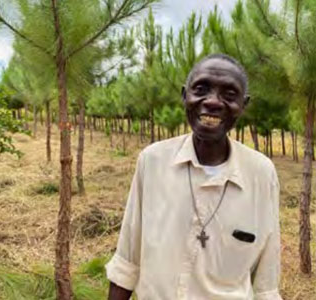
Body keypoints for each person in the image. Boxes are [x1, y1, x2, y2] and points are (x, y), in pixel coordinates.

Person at [106, 54, 282, 300]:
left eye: (229, 95)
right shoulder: (153, 160)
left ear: (244, 104)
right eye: (201, 89)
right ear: (184, 95)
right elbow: (127, 260)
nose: (212, 102)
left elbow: (266, 281)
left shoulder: (261, 174)